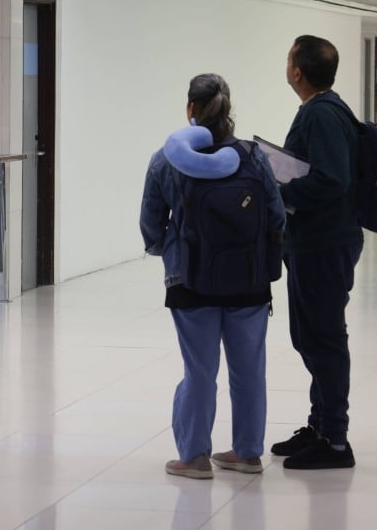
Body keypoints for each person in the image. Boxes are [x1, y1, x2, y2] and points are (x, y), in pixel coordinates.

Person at [141, 73, 285, 479]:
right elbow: (275, 216)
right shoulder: (254, 158)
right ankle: (248, 452)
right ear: (228, 109)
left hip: (191, 282)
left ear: (190, 109)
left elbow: (151, 225)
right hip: (249, 281)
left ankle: (194, 457)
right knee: (249, 370)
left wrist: (167, 251)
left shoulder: (166, 159)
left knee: (200, 371)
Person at [270, 35, 363, 470]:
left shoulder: (323, 115)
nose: (286, 65)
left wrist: (279, 187)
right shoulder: (322, 109)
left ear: (297, 71)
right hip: (315, 242)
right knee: (310, 337)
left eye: (289, 59)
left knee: (323, 339)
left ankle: (336, 442)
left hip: (324, 244)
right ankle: (319, 424)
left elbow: (331, 180)